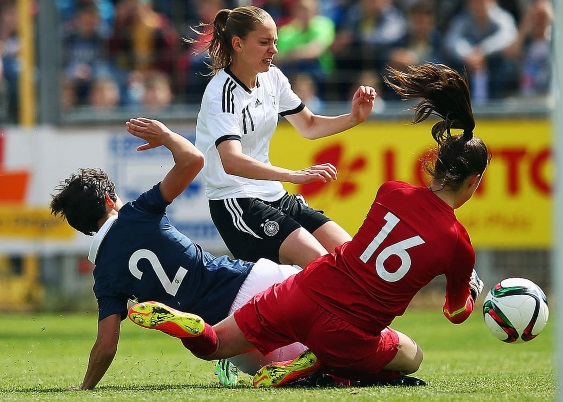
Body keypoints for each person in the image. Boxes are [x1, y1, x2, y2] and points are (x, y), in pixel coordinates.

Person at [127, 63, 489, 387]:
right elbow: (455, 313)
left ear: (436, 164)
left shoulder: (391, 192)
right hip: (349, 331)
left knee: (215, 345)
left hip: (302, 289)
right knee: (411, 357)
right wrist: (469, 289)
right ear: (473, 182)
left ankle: (192, 324)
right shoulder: (457, 242)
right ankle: (319, 363)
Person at [50, 117, 307, 390]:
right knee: (333, 316)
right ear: (109, 200)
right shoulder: (137, 213)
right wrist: (165, 135)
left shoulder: (103, 275)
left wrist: (85, 386)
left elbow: (106, 346)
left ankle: (208, 333)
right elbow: (193, 159)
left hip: (230, 338)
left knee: (291, 364)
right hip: (251, 283)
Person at [194, 6, 377, 268]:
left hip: (274, 195)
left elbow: (309, 125)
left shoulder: (273, 77)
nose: (274, 50)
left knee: (355, 260)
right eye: (264, 42)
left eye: (275, 42)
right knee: (322, 266)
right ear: (238, 44)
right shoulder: (221, 94)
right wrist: (293, 175)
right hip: (235, 200)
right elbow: (231, 161)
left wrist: (353, 118)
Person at [443, 0, 519, 103]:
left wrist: (482, 51)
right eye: (474, 2)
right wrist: (469, 55)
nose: (478, 5)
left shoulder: (502, 17)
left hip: (495, 68)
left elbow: (509, 36)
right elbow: (451, 41)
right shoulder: (462, 19)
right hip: (469, 66)